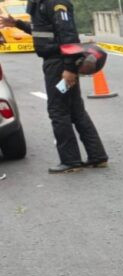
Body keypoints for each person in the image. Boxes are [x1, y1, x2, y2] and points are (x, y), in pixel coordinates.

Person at [0, 0, 107, 173]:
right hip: (57, 62)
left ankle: (71, 161)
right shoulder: (40, 4)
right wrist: (17, 24)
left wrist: (69, 68)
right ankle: (97, 156)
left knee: (58, 111)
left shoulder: (56, 3)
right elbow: (44, 33)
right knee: (76, 110)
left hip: (59, 64)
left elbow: (68, 36)